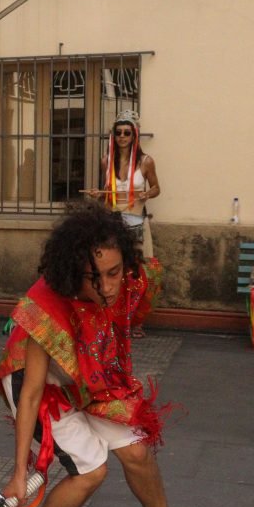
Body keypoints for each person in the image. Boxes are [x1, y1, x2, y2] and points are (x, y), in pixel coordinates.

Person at [0, 201, 216, 507]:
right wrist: (18, 474)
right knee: (91, 471)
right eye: (95, 277)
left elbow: (143, 274)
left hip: (85, 377)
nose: (109, 286)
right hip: (40, 386)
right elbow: (30, 396)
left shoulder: (126, 278)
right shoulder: (42, 309)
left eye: (115, 272)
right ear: (69, 274)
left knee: (136, 450)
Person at [91, 110, 160, 338]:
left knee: (138, 273)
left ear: (134, 136)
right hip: (113, 222)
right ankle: (113, 318)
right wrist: (97, 194)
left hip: (136, 220)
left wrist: (146, 195)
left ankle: (135, 321)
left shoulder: (146, 161)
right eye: (118, 132)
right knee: (112, 271)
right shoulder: (106, 160)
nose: (122, 137)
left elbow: (156, 188)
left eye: (127, 133)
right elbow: (106, 193)